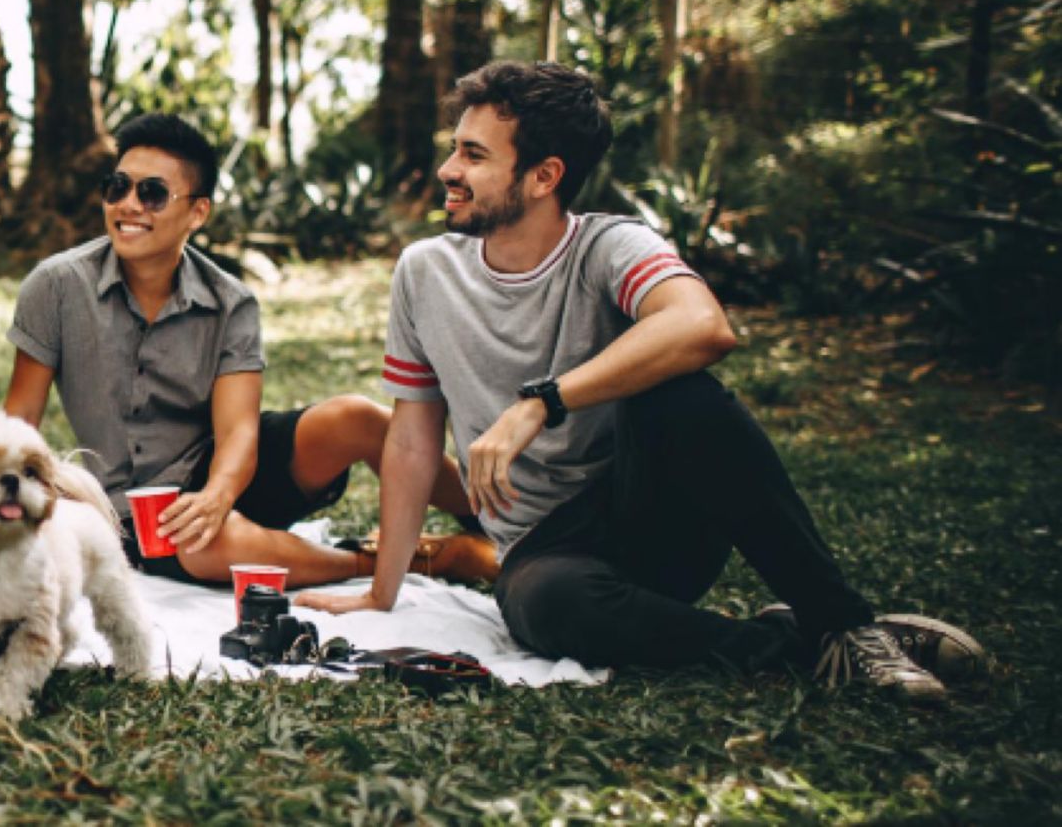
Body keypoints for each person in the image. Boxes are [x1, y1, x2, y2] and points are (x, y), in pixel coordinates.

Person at [297, 61, 981, 702]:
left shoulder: (610, 245)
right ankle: (804, 642)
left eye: (474, 156)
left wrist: (543, 401)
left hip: (655, 516)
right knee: (546, 607)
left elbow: (703, 326)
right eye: (456, 148)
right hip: (546, 553)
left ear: (544, 176)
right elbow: (414, 442)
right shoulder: (425, 272)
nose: (448, 169)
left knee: (682, 392)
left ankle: (845, 622)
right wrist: (381, 593)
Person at [2, 112, 492, 588]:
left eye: (150, 193)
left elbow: (238, 430)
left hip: (225, 470)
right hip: (135, 509)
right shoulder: (57, 287)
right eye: (117, 187)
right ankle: (418, 560)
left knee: (357, 418)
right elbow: (19, 418)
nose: (128, 205)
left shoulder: (230, 301)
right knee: (205, 544)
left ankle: (495, 523)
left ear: (197, 212)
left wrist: (217, 495)